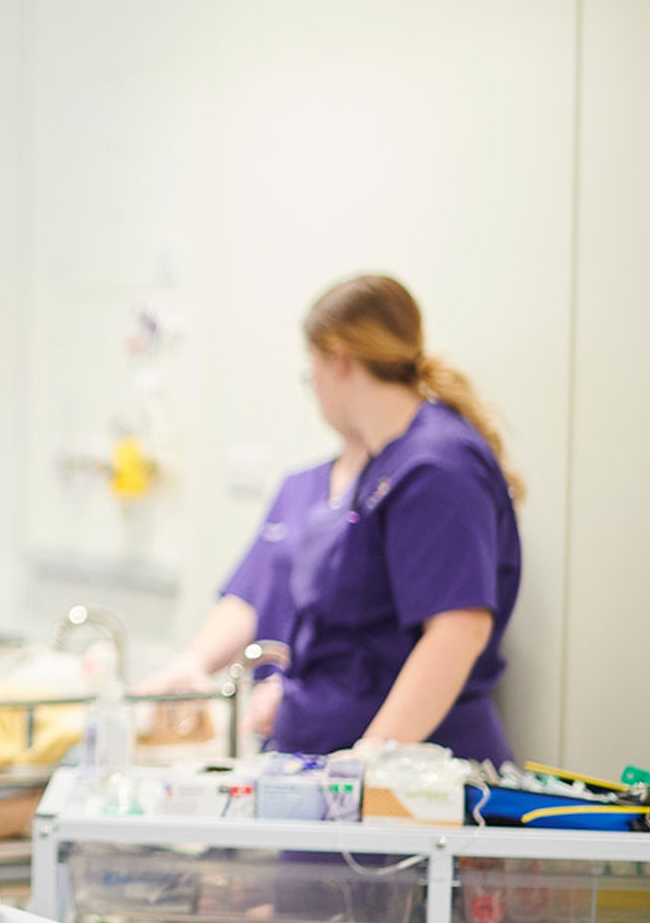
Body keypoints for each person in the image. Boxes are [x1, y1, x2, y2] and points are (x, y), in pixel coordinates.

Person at [272, 273, 522, 764]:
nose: (315, 388)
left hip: (411, 783)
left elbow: (458, 629)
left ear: (339, 359)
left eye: (313, 372)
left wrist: (370, 760)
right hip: (352, 773)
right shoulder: (386, 464)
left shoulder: (437, 465)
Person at [136, 439, 364, 739]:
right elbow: (253, 591)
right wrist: (193, 663)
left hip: (355, 730)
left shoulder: (399, 489)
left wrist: (305, 698)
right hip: (282, 735)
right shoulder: (299, 487)